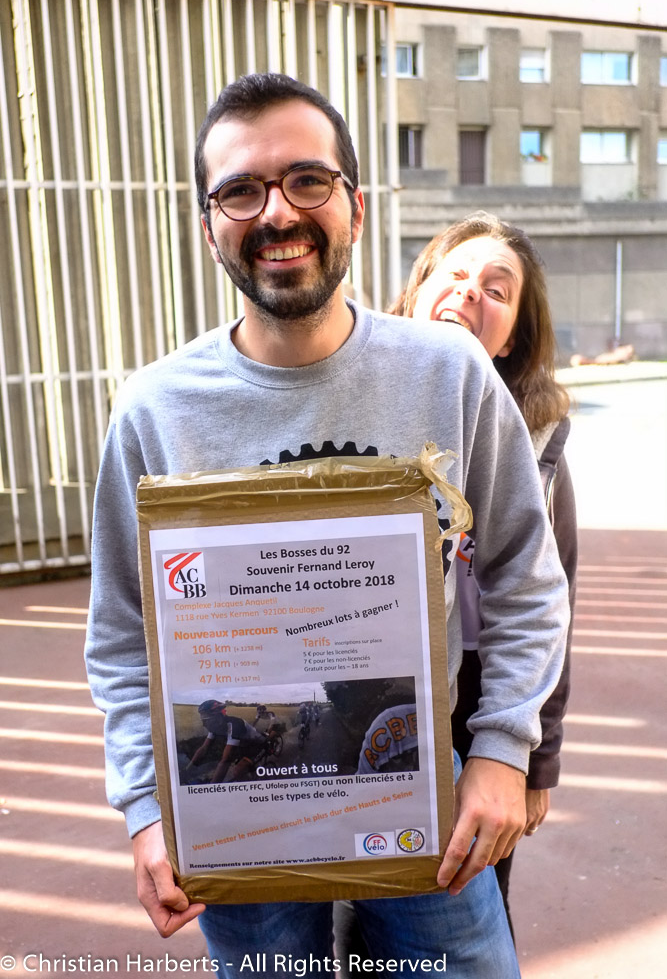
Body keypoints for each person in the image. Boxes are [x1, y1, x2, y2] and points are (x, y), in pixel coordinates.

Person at [84, 73, 569, 977]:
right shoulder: (154, 410)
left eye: (307, 180)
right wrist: (147, 806)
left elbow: (525, 575)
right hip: (231, 813)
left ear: (354, 204)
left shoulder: (449, 372)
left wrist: (504, 750)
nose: (277, 211)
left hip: (422, 791)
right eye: (240, 190)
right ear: (208, 225)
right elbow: (121, 633)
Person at [391, 211, 577, 936]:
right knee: (354, 908)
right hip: (377, 694)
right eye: (457, 274)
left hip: (480, 702)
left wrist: (534, 758)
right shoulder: (364, 405)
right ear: (417, 293)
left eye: (497, 290)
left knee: (467, 900)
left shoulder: (538, 447)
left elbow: (548, 602)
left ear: (513, 340)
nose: (472, 292)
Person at [185, 700, 267, 783]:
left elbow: (225, 760)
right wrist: (187, 768)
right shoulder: (216, 726)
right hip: (243, 745)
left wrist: (213, 786)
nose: (204, 724)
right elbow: (203, 748)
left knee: (238, 771)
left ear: (218, 717)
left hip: (257, 745)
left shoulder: (235, 725)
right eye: (203, 720)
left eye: (207, 720)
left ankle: (253, 785)